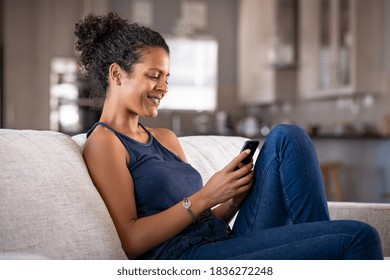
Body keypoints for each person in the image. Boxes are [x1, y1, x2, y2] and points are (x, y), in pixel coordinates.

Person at [75, 12, 383, 260]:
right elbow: (131, 241)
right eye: (153, 76)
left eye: (167, 78)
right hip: (188, 259)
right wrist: (206, 195)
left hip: (221, 240)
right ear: (117, 74)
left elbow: (203, 220)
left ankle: (322, 256)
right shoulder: (105, 143)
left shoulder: (165, 138)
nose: (164, 88)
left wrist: (231, 199)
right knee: (360, 236)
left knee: (288, 137)